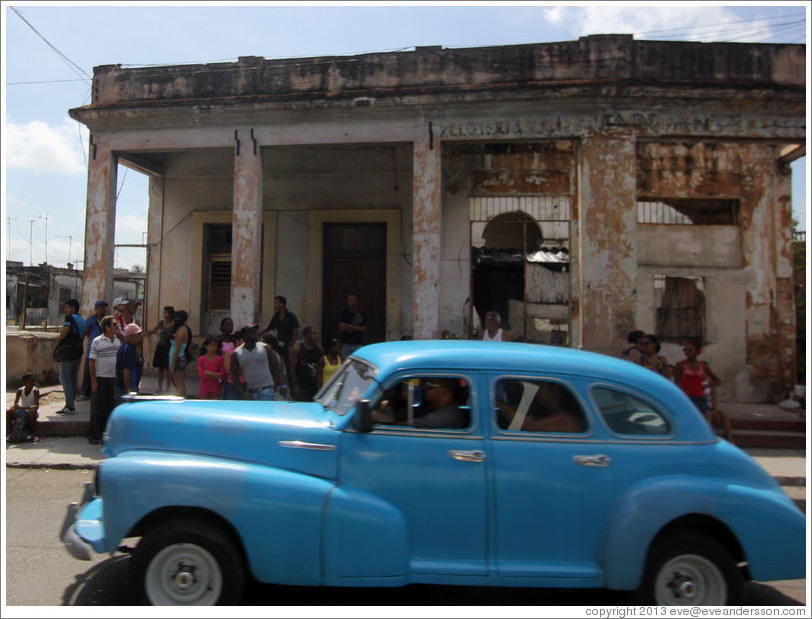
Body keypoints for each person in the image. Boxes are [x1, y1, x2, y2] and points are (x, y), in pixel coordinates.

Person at [674, 340, 731, 441]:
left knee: (704, 421)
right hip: (686, 396)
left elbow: (717, 380)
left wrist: (705, 386)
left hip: (699, 396)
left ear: (697, 351)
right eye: (685, 350)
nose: (687, 352)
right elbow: (676, 382)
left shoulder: (702, 366)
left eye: (690, 350)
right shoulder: (680, 365)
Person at [231, 324, 285, 401]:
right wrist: (243, 394)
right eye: (252, 332)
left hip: (267, 391)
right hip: (251, 392)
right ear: (245, 336)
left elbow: (277, 366)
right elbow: (234, 375)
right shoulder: (236, 353)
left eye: (256, 332)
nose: (256, 334)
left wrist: (282, 384)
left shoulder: (266, 348)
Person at [88, 316, 120, 445]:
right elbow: (91, 361)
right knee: (98, 408)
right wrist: (93, 380)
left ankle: (107, 434)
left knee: (110, 407)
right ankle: (95, 434)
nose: (117, 326)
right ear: (107, 327)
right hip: (101, 378)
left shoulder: (117, 342)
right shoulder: (97, 341)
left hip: (113, 379)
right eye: (114, 324)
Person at [56, 299, 87, 415]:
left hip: (68, 353)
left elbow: (64, 333)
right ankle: (71, 403)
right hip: (78, 352)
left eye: (67, 307)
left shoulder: (69, 319)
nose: (66, 310)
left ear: (73, 308)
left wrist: (58, 339)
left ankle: (69, 405)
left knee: (65, 379)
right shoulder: (83, 320)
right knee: (73, 378)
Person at [261, 296, 300, 381]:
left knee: (290, 367)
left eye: (276, 303)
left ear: (282, 304)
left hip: (288, 343)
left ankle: (292, 386)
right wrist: (259, 334)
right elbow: (269, 328)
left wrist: (291, 345)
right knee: (276, 364)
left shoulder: (290, 316)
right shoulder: (276, 316)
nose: (274, 305)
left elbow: (295, 330)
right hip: (279, 344)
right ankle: (277, 383)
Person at [79, 300, 108, 400]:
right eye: (101, 307)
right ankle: (85, 393)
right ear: (96, 308)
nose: (103, 309)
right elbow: (86, 332)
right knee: (88, 370)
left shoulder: (106, 320)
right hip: (92, 347)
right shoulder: (91, 320)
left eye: (104, 307)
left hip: (104, 348)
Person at [290, 326, 324, 401]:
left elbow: (320, 370)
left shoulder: (319, 349)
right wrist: (295, 386)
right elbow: (292, 369)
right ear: (307, 335)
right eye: (314, 333)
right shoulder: (298, 349)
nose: (317, 336)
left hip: (313, 385)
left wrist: (319, 388)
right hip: (301, 385)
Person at [147, 306, 175, 394]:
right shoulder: (161, 323)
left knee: (168, 369)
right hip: (161, 346)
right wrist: (147, 333)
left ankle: (168, 387)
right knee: (160, 368)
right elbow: (154, 330)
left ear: (170, 314)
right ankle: (159, 387)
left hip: (169, 347)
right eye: (164, 312)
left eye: (166, 313)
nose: (164, 314)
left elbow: (174, 335)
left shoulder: (174, 324)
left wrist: (166, 333)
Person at [6, 372, 40, 443]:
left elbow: (36, 406)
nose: (33, 383)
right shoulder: (20, 390)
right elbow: (16, 403)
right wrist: (14, 407)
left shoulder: (35, 391)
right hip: (21, 411)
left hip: (30, 411)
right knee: (7, 412)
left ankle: (33, 434)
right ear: (25, 382)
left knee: (32, 411)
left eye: (34, 381)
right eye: (31, 381)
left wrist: (22, 408)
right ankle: (10, 434)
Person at [116, 323, 144, 403]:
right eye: (137, 335)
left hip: (132, 386)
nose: (140, 337)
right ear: (130, 336)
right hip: (125, 388)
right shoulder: (128, 349)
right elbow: (126, 371)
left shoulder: (132, 349)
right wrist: (129, 391)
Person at [167, 310, 191, 397]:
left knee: (178, 383)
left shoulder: (180, 332)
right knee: (180, 382)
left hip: (177, 358)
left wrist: (172, 365)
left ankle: (180, 398)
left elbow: (177, 349)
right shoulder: (183, 329)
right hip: (177, 357)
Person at [221, 323, 246, 400]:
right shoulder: (229, 352)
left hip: (245, 383)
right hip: (232, 383)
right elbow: (228, 370)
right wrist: (241, 370)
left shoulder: (247, 352)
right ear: (237, 341)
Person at [338, 292, 367, 358]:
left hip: (359, 343)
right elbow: (342, 328)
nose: (349, 302)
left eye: (351, 300)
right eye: (348, 300)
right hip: (346, 343)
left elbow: (364, 329)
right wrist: (357, 328)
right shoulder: (344, 313)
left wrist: (350, 327)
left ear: (357, 301)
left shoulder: (362, 313)